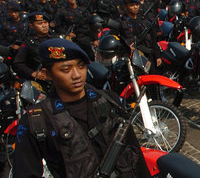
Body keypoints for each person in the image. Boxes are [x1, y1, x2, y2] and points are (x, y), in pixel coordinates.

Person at [12, 38, 150, 177]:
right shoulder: (37, 120)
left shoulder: (109, 100)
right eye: (66, 70)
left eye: (81, 66)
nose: (77, 75)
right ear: (47, 74)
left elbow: (135, 152)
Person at [12, 12, 55, 82]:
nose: (44, 26)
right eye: (40, 23)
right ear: (32, 26)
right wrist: (32, 73)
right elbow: (18, 63)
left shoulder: (56, 39)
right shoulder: (29, 43)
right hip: (41, 80)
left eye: (45, 22)